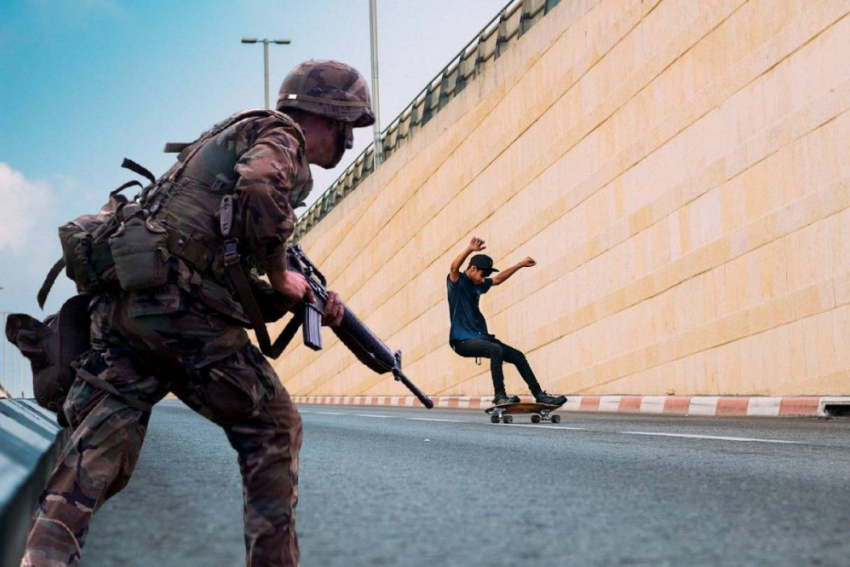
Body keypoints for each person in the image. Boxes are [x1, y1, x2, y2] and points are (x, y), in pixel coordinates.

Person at [21, 60, 374, 567]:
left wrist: (294, 297)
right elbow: (259, 187)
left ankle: (42, 559)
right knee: (273, 428)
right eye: (349, 130)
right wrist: (278, 275)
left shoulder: (229, 138)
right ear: (334, 118)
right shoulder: (281, 134)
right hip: (186, 319)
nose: (348, 143)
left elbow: (213, 260)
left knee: (94, 454)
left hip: (132, 310)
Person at [447, 237, 567, 406]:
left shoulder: (478, 283)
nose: (484, 279)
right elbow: (453, 267)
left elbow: (498, 280)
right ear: (473, 268)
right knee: (495, 349)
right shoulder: (457, 282)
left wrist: (520, 264)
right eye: (483, 274)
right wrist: (470, 249)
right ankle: (500, 395)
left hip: (480, 337)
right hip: (462, 340)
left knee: (518, 356)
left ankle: (539, 395)